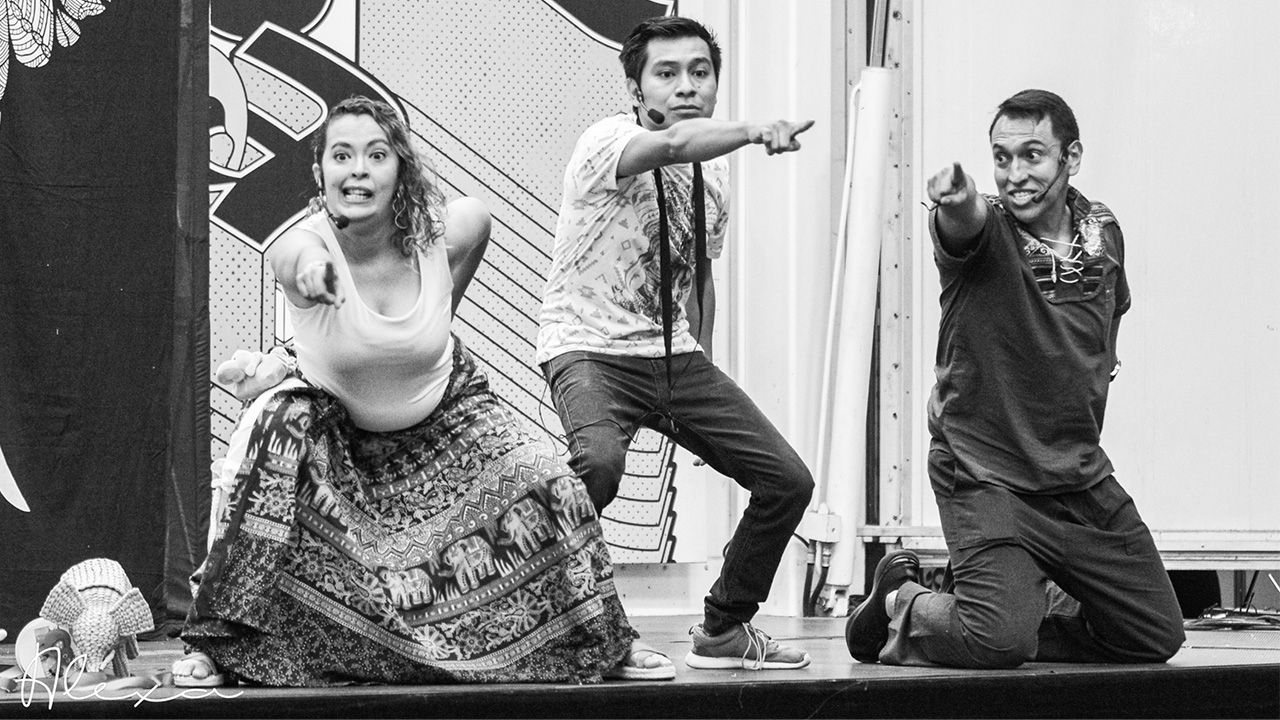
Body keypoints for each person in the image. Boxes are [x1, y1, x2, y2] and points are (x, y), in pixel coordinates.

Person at [174, 96, 651, 686]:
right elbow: (291, 259)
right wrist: (315, 276)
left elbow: (477, 221)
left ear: (400, 167)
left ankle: (606, 639)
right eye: (342, 156)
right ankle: (216, 639)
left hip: (445, 423)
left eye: (376, 155)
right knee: (269, 438)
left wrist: (437, 313)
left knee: (551, 479)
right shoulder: (305, 245)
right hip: (339, 439)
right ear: (320, 171)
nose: (358, 170)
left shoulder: (439, 235)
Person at [844, 89, 1186, 668]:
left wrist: (1099, 363)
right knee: (997, 641)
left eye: (1032, 155)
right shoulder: (988, 234)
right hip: (986, 474)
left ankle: (1005, 608)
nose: (1015, 175)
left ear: (1071, 157)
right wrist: (957, 199)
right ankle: (902, 603)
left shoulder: (1103, 230)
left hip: (1076, 476)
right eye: (1002, 158)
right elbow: (964, 221)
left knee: (1154, 635)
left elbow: (1113, 311)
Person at [537, 16, 816, 671]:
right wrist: (754, 131)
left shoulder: (713, 179)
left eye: (700, 71)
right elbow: (670, 145)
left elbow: (698, 277)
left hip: (675, 359)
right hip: (591, 348)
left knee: (787, 482)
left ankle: (724, 629)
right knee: (598, 466)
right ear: (636, 91)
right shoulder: (608, 141)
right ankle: (576, 628)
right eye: (667, 73)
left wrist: (703, 381)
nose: (687, 86)